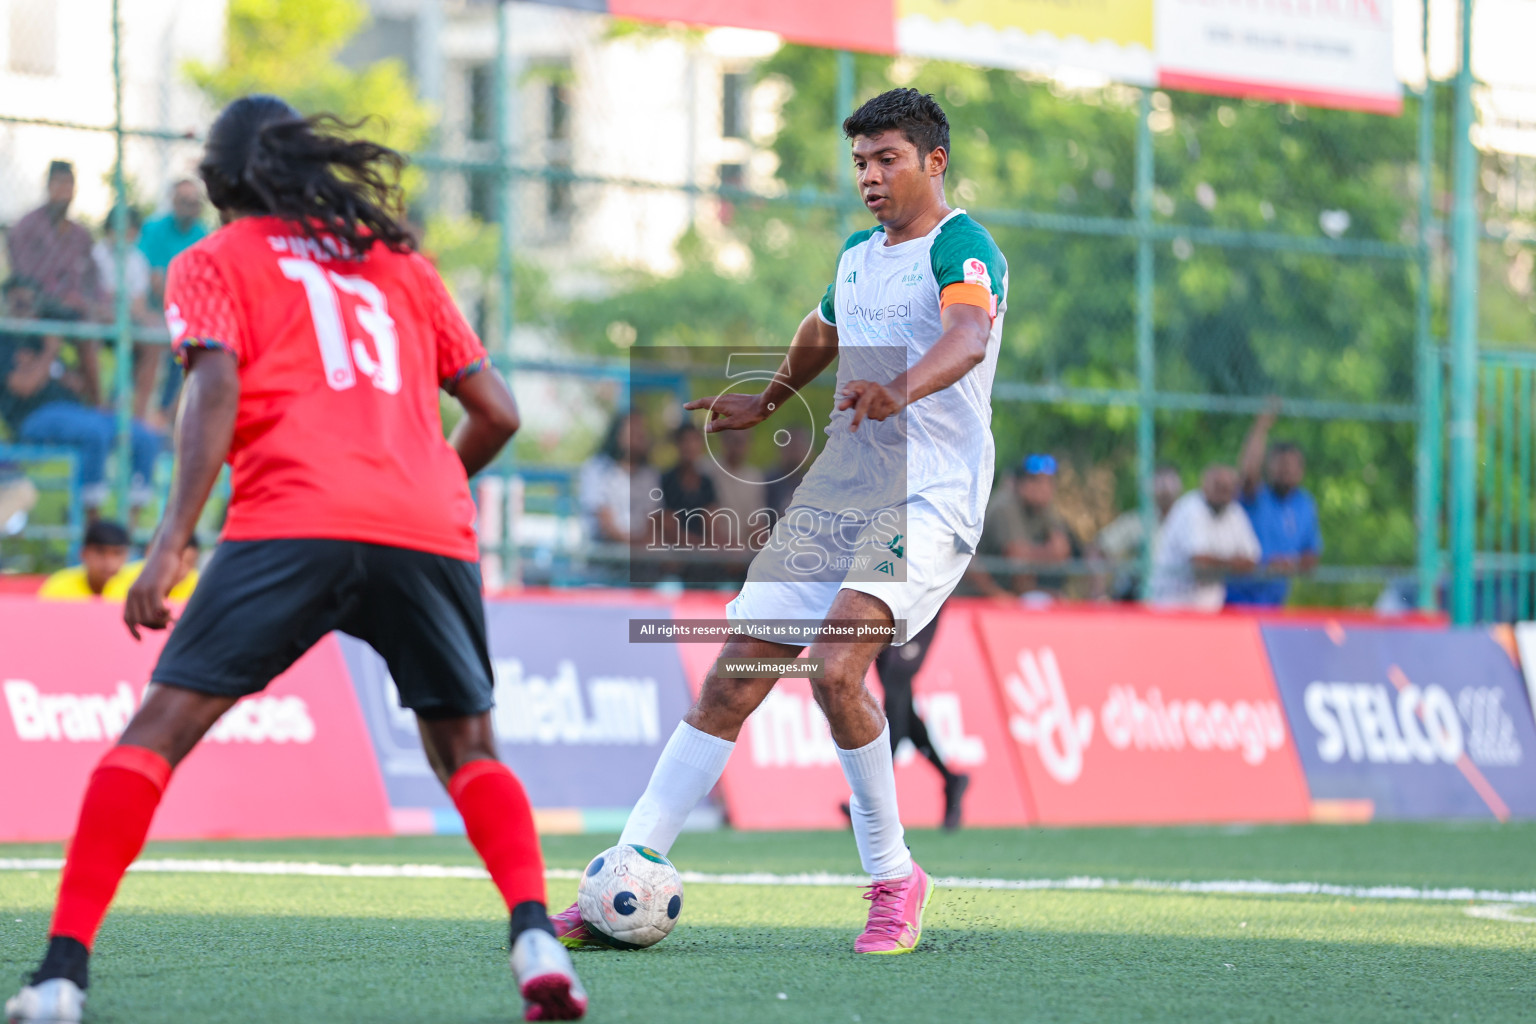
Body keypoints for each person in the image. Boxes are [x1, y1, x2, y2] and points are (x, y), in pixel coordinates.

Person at [6, 96, 586, 1024]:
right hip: (425, 528)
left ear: (226, 180)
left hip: (293, 519)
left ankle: (62, 974)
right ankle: (535, 937)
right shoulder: (399, 264)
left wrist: (172, 540)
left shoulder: (213, 260)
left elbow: (214, 390)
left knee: (156, 734)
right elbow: (500, 413)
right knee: (469, 749)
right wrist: (424, 480)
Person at [553, 88, 1007, 955]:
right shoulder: (858, 255)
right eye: (861, 164)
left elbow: (968, 338)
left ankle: (893, 879)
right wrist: (767, 397)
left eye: (888, 160)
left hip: (929, 493)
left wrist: (897, 390)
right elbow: (822, 325)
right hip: (840, 494)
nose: (870, 178)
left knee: (837, 671)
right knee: (733, 680)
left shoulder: (961, 244)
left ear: (933, 162)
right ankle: (630, 868)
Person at [0, 276, 162, 515]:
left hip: (77, 413)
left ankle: (128, 528)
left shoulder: (42, 335)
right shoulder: (6, 341)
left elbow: (76, 384)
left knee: (144, 437)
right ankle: (92, 527)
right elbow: (24, 386)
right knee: (94, 433)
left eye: (31, 303)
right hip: (34, 417)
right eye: (19, 304)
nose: (28, 311)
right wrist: (49, 351)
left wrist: (67, 362)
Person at [841, 605, 969, 830]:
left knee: (895, 707)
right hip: (891, 607)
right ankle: (951, 780)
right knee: (903, 711)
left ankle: (870, 802)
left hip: (921, 605)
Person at [5, 162, 101, 404]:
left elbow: (93, 279)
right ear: (47, 187)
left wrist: (93, 302)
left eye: (69, 185)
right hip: (39, 308)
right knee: (82, 332)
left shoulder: (80, 234)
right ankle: (95, 405)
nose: (64, 191)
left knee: (131, 332)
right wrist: (59, 298)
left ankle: (101, 405)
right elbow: (23, 283)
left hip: (77, 310)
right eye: (58, 184)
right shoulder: (26, 227)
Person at [1226, 408, 1322, 607]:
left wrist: (1290, 565)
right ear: (1268, 467)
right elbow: (1248, 474)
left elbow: (1311, 556)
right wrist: (1261, 427)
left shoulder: (1304, 503)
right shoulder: (1256, 496)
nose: (1285, 470)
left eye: (1290, 465)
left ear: (1301, 470)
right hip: (1237, 599)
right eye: (1280, 464)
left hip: (1274, 603)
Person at [1146, 464, 1261, 611]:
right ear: (1204, 486)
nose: (1222, 492)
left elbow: (1252, 561)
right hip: (1170, 607)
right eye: (1217, 486)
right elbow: (1200, 565)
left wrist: (1215, 562)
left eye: (1227, 487)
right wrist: (1233, 563)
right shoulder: (1190, 508)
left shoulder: (1235, 512)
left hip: (1208, 610)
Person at [140, 179, 210, 416]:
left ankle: (167, 416)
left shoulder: (203, 235)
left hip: (187, 314)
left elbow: (203, 285)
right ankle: (140, 414)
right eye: (183, 202)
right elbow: (154, 281)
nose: (189, 208)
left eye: (194, 203)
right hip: (151, 309)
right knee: (159, 340)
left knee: (192, 348)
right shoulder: (154, 229)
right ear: (173, 202)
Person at [960, 454, 1074, 598]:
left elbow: (1062, 551)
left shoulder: (1044, 509)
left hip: (1010, 594)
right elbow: (1016, 556)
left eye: (1048, 482)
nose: (1043, 488)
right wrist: (1046, 554)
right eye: (1035, 481)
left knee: (1058, 599)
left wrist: (1031, 555)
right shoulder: (1005, 504)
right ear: (1019, 483)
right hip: (975, 596)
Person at [1094, 464, 1183, 600]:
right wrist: (1100, 593)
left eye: (1169, 482)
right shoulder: (1136, 521)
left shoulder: (1188, 521)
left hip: (1181, 598)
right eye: (1160, 482)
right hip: (1140, 599)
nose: (1165, 489)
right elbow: (1099, 548)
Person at [36, 520, 130, 599]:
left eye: (117, 553)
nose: (109, 562)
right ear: (84, 553)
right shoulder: (59, 587)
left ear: (127, 555)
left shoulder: (133, 589)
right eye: (100, 552)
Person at [102, 533, 201, 602]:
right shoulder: (122, 577)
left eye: (189, 563)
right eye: (175, 562)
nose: (180, 570)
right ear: (149, 552)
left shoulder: (197, 583)